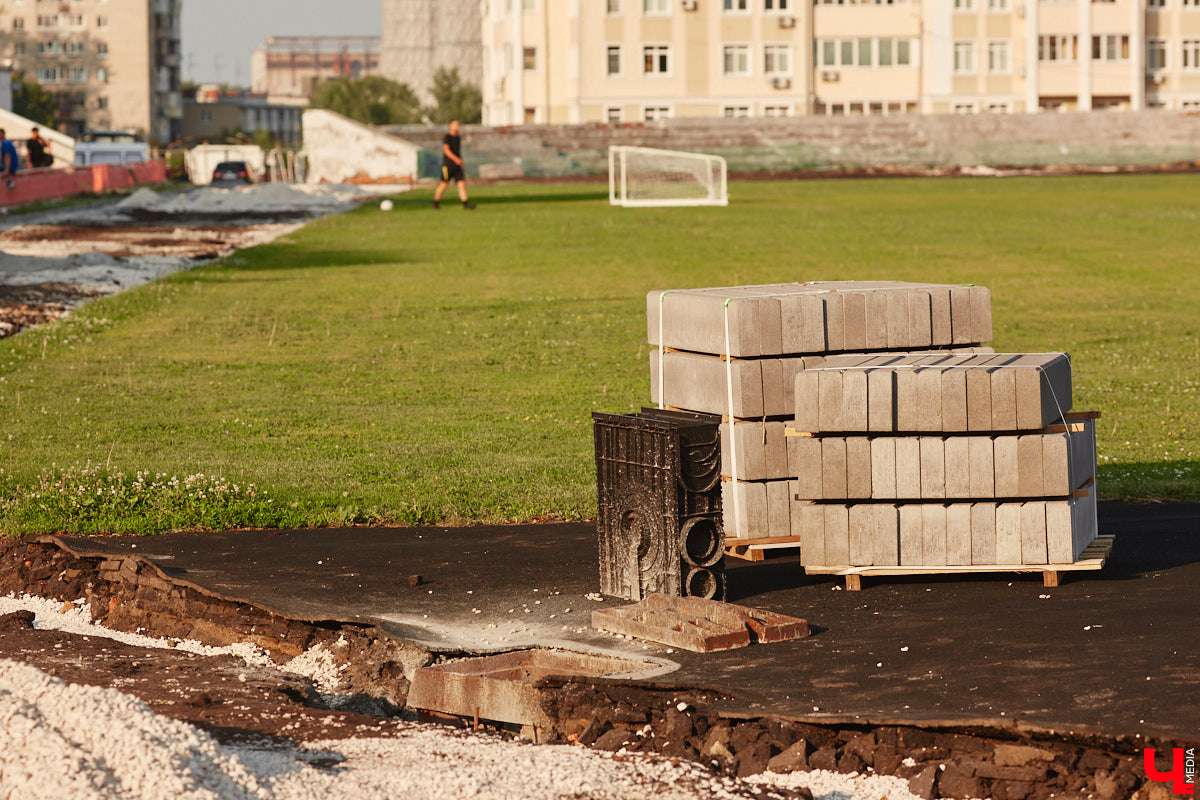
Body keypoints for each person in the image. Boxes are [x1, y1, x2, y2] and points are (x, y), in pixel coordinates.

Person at [432, 119, 475, 210]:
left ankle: (465, 204)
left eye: (458, 125)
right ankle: (435, 203)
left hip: (457, 165)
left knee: (461, 184)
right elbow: (446, 151)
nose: (457, 127)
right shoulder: (447, 137)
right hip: (447, 166)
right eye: (455, 125)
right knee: (444, 184)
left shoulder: (458, 138)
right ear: (450, 126)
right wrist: (456, 159)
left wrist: (459, 161)